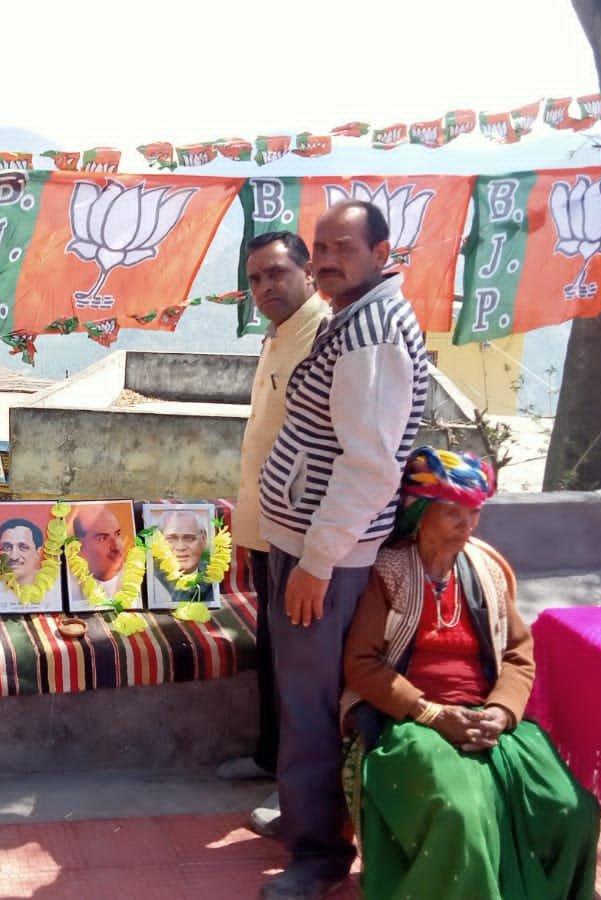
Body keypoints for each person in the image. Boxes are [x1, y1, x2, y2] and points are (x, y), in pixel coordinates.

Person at [255, 199, 430, 899]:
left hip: (326, 556)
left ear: (382, 252)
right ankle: (306, 816)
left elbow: (370, 465)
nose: (327, 260)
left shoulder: (372, 334)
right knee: (304, 698)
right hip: (306, 543)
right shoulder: (352, 316)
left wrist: (318, 561)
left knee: (313, 705)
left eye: (344, 248)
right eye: (321, 247)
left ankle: (321, 852)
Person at [342, 447, 599, 899]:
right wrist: (431, 713)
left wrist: (501, 712)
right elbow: (361, 664)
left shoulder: (486, 570)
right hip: (412, 720)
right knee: (460, 815)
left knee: (571, 809)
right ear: (420, 513)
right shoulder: (389, 570)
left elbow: (519, 651)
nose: (467, 525)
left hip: (485, 715)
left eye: (474, 513)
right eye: (452, 513)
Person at [220, 232, 328, 821]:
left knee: (303, 664)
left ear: (309, 272)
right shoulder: (278, 335)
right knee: (273, 649)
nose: (266, 287)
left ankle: (300, 791)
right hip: (265, 527)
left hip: (303, 534)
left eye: (278, 273)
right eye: (256, 278)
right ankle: (270, 757)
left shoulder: (324, 336)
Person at [0, 517, 61, 610]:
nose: (14, 556)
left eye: (23, 547)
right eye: (7, 547)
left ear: (38, 551)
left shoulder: (55, 590)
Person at [149, 507, 214, 605]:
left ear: (204, 540)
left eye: (189, 538)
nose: (181, 547)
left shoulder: (216, 582)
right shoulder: (150, 583)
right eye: (171, 539)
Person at [70, 504, 128, 596]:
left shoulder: (139, 577)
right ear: (79, 546)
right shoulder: (67, 588)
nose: (116, 547)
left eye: (117, 534)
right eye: (102, 538)